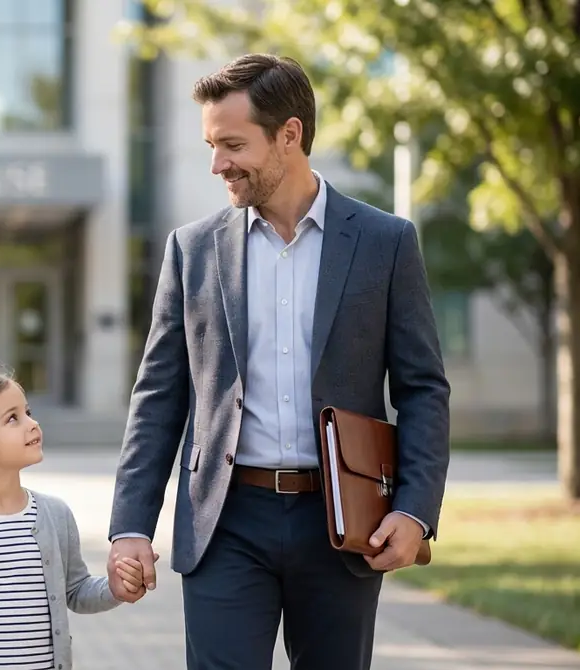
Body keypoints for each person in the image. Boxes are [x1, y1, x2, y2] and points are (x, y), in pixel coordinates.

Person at [106, 54, 451, 669]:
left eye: (232, 144)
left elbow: (423, 388)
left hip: (344, 523)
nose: (217, 164)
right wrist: (130, 524)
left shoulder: (385, 242)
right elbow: (159, 395)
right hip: (225, 522)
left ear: (289, 135)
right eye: (211, 145)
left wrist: (415, 510)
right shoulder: (192, 249)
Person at [0, 365, 151, 670]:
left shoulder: (54, 515)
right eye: (13, 418)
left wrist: (114, 589)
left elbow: (76, 591)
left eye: (28, 412)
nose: (32, 424)